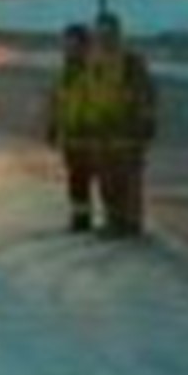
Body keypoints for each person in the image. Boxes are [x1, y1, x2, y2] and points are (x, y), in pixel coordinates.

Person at [74, 13, 157, 238]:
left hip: (126, 130)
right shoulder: (93, 61)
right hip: (101, 131)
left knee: (127, 180)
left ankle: (130, 223)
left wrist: (145, 123)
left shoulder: (130, 61)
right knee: (106, 180)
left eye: (109, 34)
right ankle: (114, 220)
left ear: (117, 34)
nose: (104, 38)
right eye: (100, 34)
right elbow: (87, 94)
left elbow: (146, 94)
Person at [46, 23, 98, 232]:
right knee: (76, 178)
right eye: (67, 45)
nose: (70, 49)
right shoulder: (64, 73)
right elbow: (57, 101)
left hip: (92, 133)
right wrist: (53, 126)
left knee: (93, 177)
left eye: (74, 45)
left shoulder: (95, 71)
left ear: (85, 46)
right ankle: (80, 218)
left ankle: (111, 217)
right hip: (71, 134)